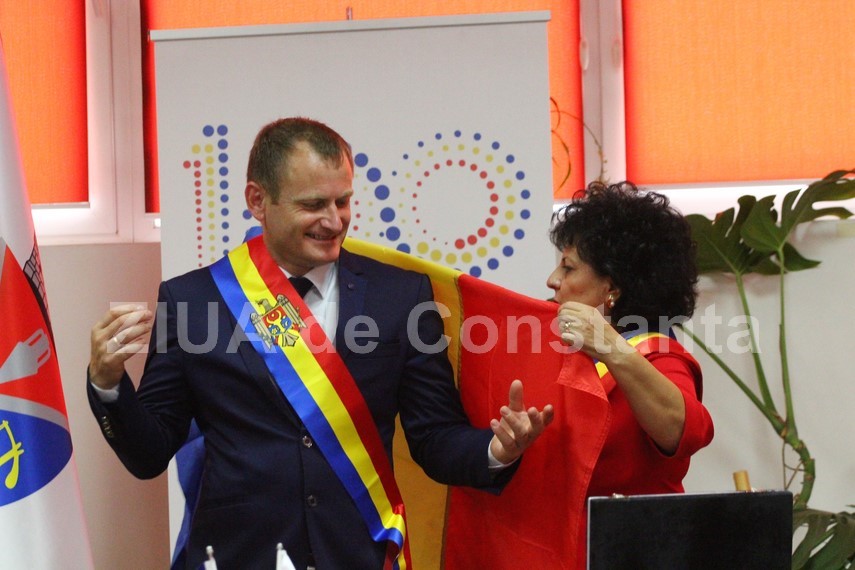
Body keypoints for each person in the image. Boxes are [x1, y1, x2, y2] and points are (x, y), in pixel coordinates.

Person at [87, 117, 554, 570]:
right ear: (257, 200)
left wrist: (497, 450)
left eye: (343, 201)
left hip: (360, 552)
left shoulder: (401, 297)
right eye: (313, 205)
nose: (334, 221)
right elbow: (149, 453)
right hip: (240, 554)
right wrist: (108, 385)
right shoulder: (193, 301)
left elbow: (434, 437)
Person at [547, 180, 714, 566]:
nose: (552, 280)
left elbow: (686, 430)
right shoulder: (565, 346)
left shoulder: (660, 356)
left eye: (568, 267)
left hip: (633, 552)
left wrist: (611, 347)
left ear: (612, 289)